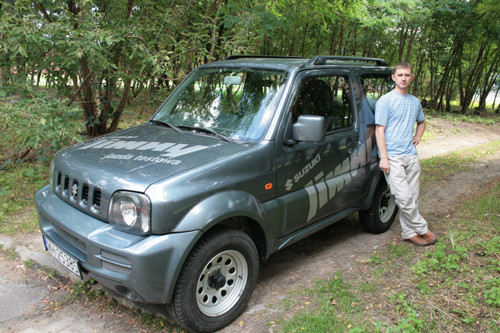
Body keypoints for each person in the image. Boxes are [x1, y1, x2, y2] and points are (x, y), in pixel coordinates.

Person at [375, 62, 437, 246]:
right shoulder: (385, 101)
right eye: (400, 75)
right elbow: (379, 130)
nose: (403, 78)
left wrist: (418, 135)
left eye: (407, 75)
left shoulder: (414, 101)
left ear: (412, 78)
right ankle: (423, 229)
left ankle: (409, 232)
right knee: (402, 196)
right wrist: (384, 157)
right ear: (393, 77)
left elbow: (422, 121)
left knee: (412, 197)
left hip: (410, 155)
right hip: (392, 157)